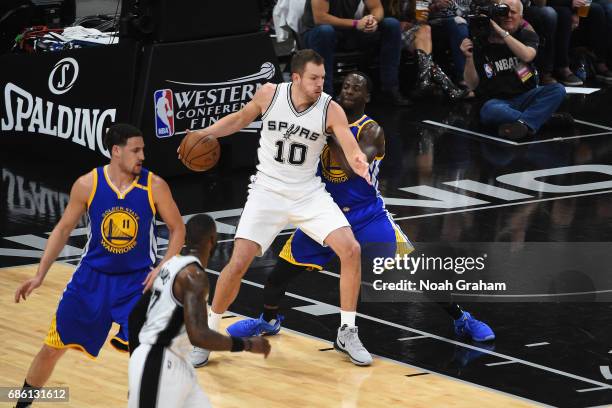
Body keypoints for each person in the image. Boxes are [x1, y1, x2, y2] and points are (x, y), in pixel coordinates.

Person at [225, 72, 495, 345]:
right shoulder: (321, 122)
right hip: (323, 213)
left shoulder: (371, 131)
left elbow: (352, 167)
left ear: (367, 97)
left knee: (418, 274)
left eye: (356, 88)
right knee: (275, 279)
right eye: (345, 87)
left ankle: (463, 319)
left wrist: (329, 132)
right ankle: (268, 321)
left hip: (366, 216)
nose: (349, 91)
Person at [184, 49, 373, 367]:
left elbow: (348, 140)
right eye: (314, 78)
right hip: (267, 192)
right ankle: (208, 333)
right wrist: (206, 133)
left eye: (323, 78)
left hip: (307, 193)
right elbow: (239, 120)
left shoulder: (331, 108)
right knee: (238, 262)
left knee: (351, 249)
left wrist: (357, 158)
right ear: (296, 77)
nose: (320, 84)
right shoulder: (270, 94)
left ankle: (347, 331)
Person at [13, 123, 185, 408]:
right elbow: (63, 228)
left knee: (145, 356)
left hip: (137, 283)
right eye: (136, 150)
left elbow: (178, 229)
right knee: (52, 349)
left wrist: (162, 268)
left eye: (143, 149)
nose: (142, 155)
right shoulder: (88, 184)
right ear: (116, 151)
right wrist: (40, 274)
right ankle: (21, 404)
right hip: (91, 280)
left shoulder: (154, 185)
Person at [127, 214, 270, 408]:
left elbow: (135, 317)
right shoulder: (194, 276)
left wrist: (137, 361)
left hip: (177, 365)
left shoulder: (168, 265)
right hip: (158, 362)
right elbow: (199, 335)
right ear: (213, 240)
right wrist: (247, 344)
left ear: (186, 239)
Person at [460, 0, 567, 140]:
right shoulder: (481, 40)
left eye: (513, 12)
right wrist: (468, 58)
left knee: (557, 89)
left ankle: (527, 121)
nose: (508, 15)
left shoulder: (526, 35)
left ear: (521, 17)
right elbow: (472, 85)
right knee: (490, 110)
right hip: (497, 102)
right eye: (504, 12)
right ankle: (538, 120)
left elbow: (527, 56)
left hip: (526, 96)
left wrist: (503, 33)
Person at [301, 0, 412, 105]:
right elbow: (320, 18)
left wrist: (372, 20)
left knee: (391, 24)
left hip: (345, 31)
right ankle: (325, 97)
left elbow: (376, 7)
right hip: (316, 33)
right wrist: (355, 23)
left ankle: (390, 89)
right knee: (325, 31)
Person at [385, 0, 472, 99]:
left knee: (425, 28)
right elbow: (381, 17)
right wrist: (400, 23)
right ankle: (447, 86)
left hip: (412, 30)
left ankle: (425, 81)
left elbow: (421, 19)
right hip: (391, 32)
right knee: (422, 37)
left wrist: (421, 17)